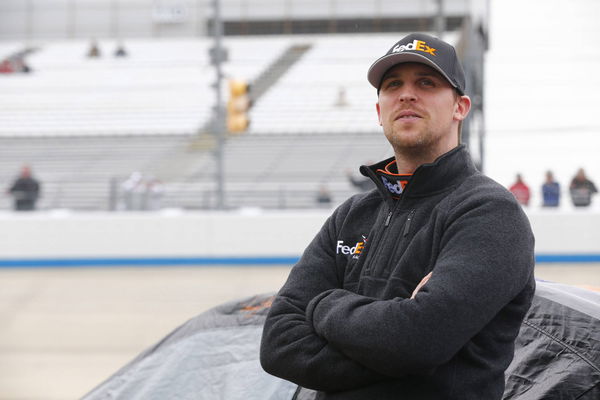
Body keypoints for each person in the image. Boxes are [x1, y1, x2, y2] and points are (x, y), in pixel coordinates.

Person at [260, 33, 535, 400]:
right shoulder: (352, 215)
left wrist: (324, 304)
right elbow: (278, 344)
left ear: (460, 107)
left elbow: (417, 341)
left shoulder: (489, 212)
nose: (407, 94)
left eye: (426, 82)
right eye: (393, 85)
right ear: (379, 112)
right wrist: (398, 349)